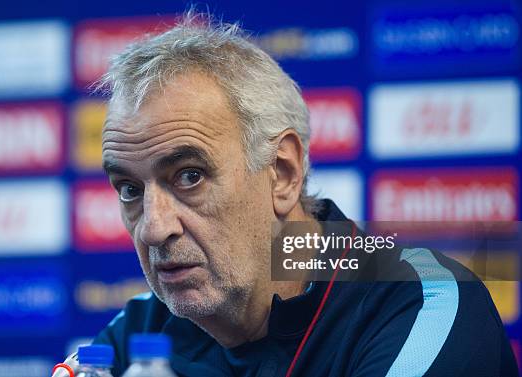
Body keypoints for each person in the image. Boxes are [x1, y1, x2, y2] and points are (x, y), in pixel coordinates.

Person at [83, 12, 518, 377]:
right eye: (130, 189)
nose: (155, 228)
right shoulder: (139, 331)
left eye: (189, 176)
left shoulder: (422, 304)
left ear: (283, 173)